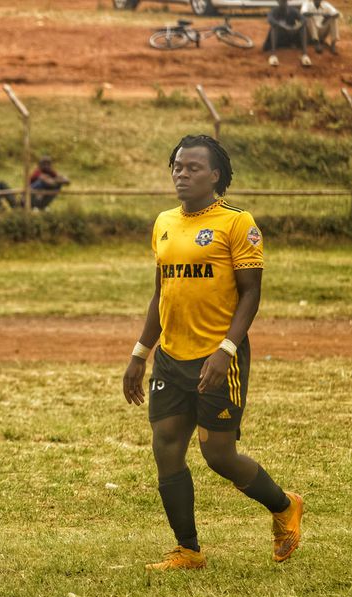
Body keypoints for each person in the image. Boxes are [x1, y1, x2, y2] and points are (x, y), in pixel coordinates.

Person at [122, 134, 303, 571]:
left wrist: (226, 350)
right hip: (171, 357)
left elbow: (251, 294)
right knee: (166, 447)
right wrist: (140, 353)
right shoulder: (164, 222)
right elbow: (161, 293)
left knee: (218, 455)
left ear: (215, 175)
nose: (182, 174)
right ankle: (188, 550)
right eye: (177, 167)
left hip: (218, 357)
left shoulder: (238, 223)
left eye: (193, 168)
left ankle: (285, 506)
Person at [264, 0, 312, 67]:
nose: (283, 3)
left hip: (290, 37)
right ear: (278, 2)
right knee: (274, 28)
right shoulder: (274, 10)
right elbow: (270, 20)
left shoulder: (293, 10)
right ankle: (273, 55)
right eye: (281, 1)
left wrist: (296, 27)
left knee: (303, 27)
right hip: (279, 39)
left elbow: (304, 19)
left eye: (284, 1)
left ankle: (305, 55)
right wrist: (285, 27)